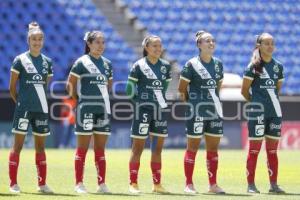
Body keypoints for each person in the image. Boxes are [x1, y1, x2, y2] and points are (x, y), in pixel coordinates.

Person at [8, 22, 54, 193]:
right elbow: (12, 87)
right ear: (28, 40)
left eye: (40, 39)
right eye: (34, 39)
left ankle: (42, 184)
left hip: (41, 109)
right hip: (23, 109)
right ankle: (13, 183)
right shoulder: (20, 60)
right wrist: (20, 103)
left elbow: (45, 85)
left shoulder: (47, 62)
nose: (37, 42)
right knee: (17, 147)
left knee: (41, 148)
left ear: (43, 41)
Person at [178, 30, 225, 194]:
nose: (211, 43)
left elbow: (217, 88)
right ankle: (189, 184)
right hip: (196, 112)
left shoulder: (218, 64)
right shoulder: (191, 64)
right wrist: (193, 106)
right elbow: (181, 90)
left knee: (213, 150)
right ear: (199, 44)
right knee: (192, 149)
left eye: (213, 40)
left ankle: (213, 185)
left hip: (215, 112)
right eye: (207, 41)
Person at [66, 31, 113, 194]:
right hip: (85, 109)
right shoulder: (81, 62)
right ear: (89, 44)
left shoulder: (107, 64)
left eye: (103, 42)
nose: (101, 45)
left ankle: (102, 184)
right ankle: (79, 183)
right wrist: (79, 100)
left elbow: (109, 86)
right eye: (97, 42)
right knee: (82, 149)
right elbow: (70, 85)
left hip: (102, 110)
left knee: (100, 149)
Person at [126, 35, 172, 194]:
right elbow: (129, 89)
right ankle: (133, 183)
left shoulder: (166, 66)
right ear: (146, 48)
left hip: (159, 111)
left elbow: (164, 88)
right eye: (154, 46)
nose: (158, 49)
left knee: (157, 150)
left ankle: (157, 185)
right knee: (137, 149)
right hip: (142, 111)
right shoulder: (138, 65)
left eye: (160, 46)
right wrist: (139, 103)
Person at [241, 33, 285, 194]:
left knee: (272, 151)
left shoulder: (278, 67)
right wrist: (255, 105)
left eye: (272, 43)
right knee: (254, 150)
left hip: (275, 113)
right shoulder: (252, 67)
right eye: (267, 43)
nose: (270, 46)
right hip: (257, 113)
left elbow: (277, 89)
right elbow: (244, 91)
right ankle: (251, 185)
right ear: (259, 46)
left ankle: (273, 185)